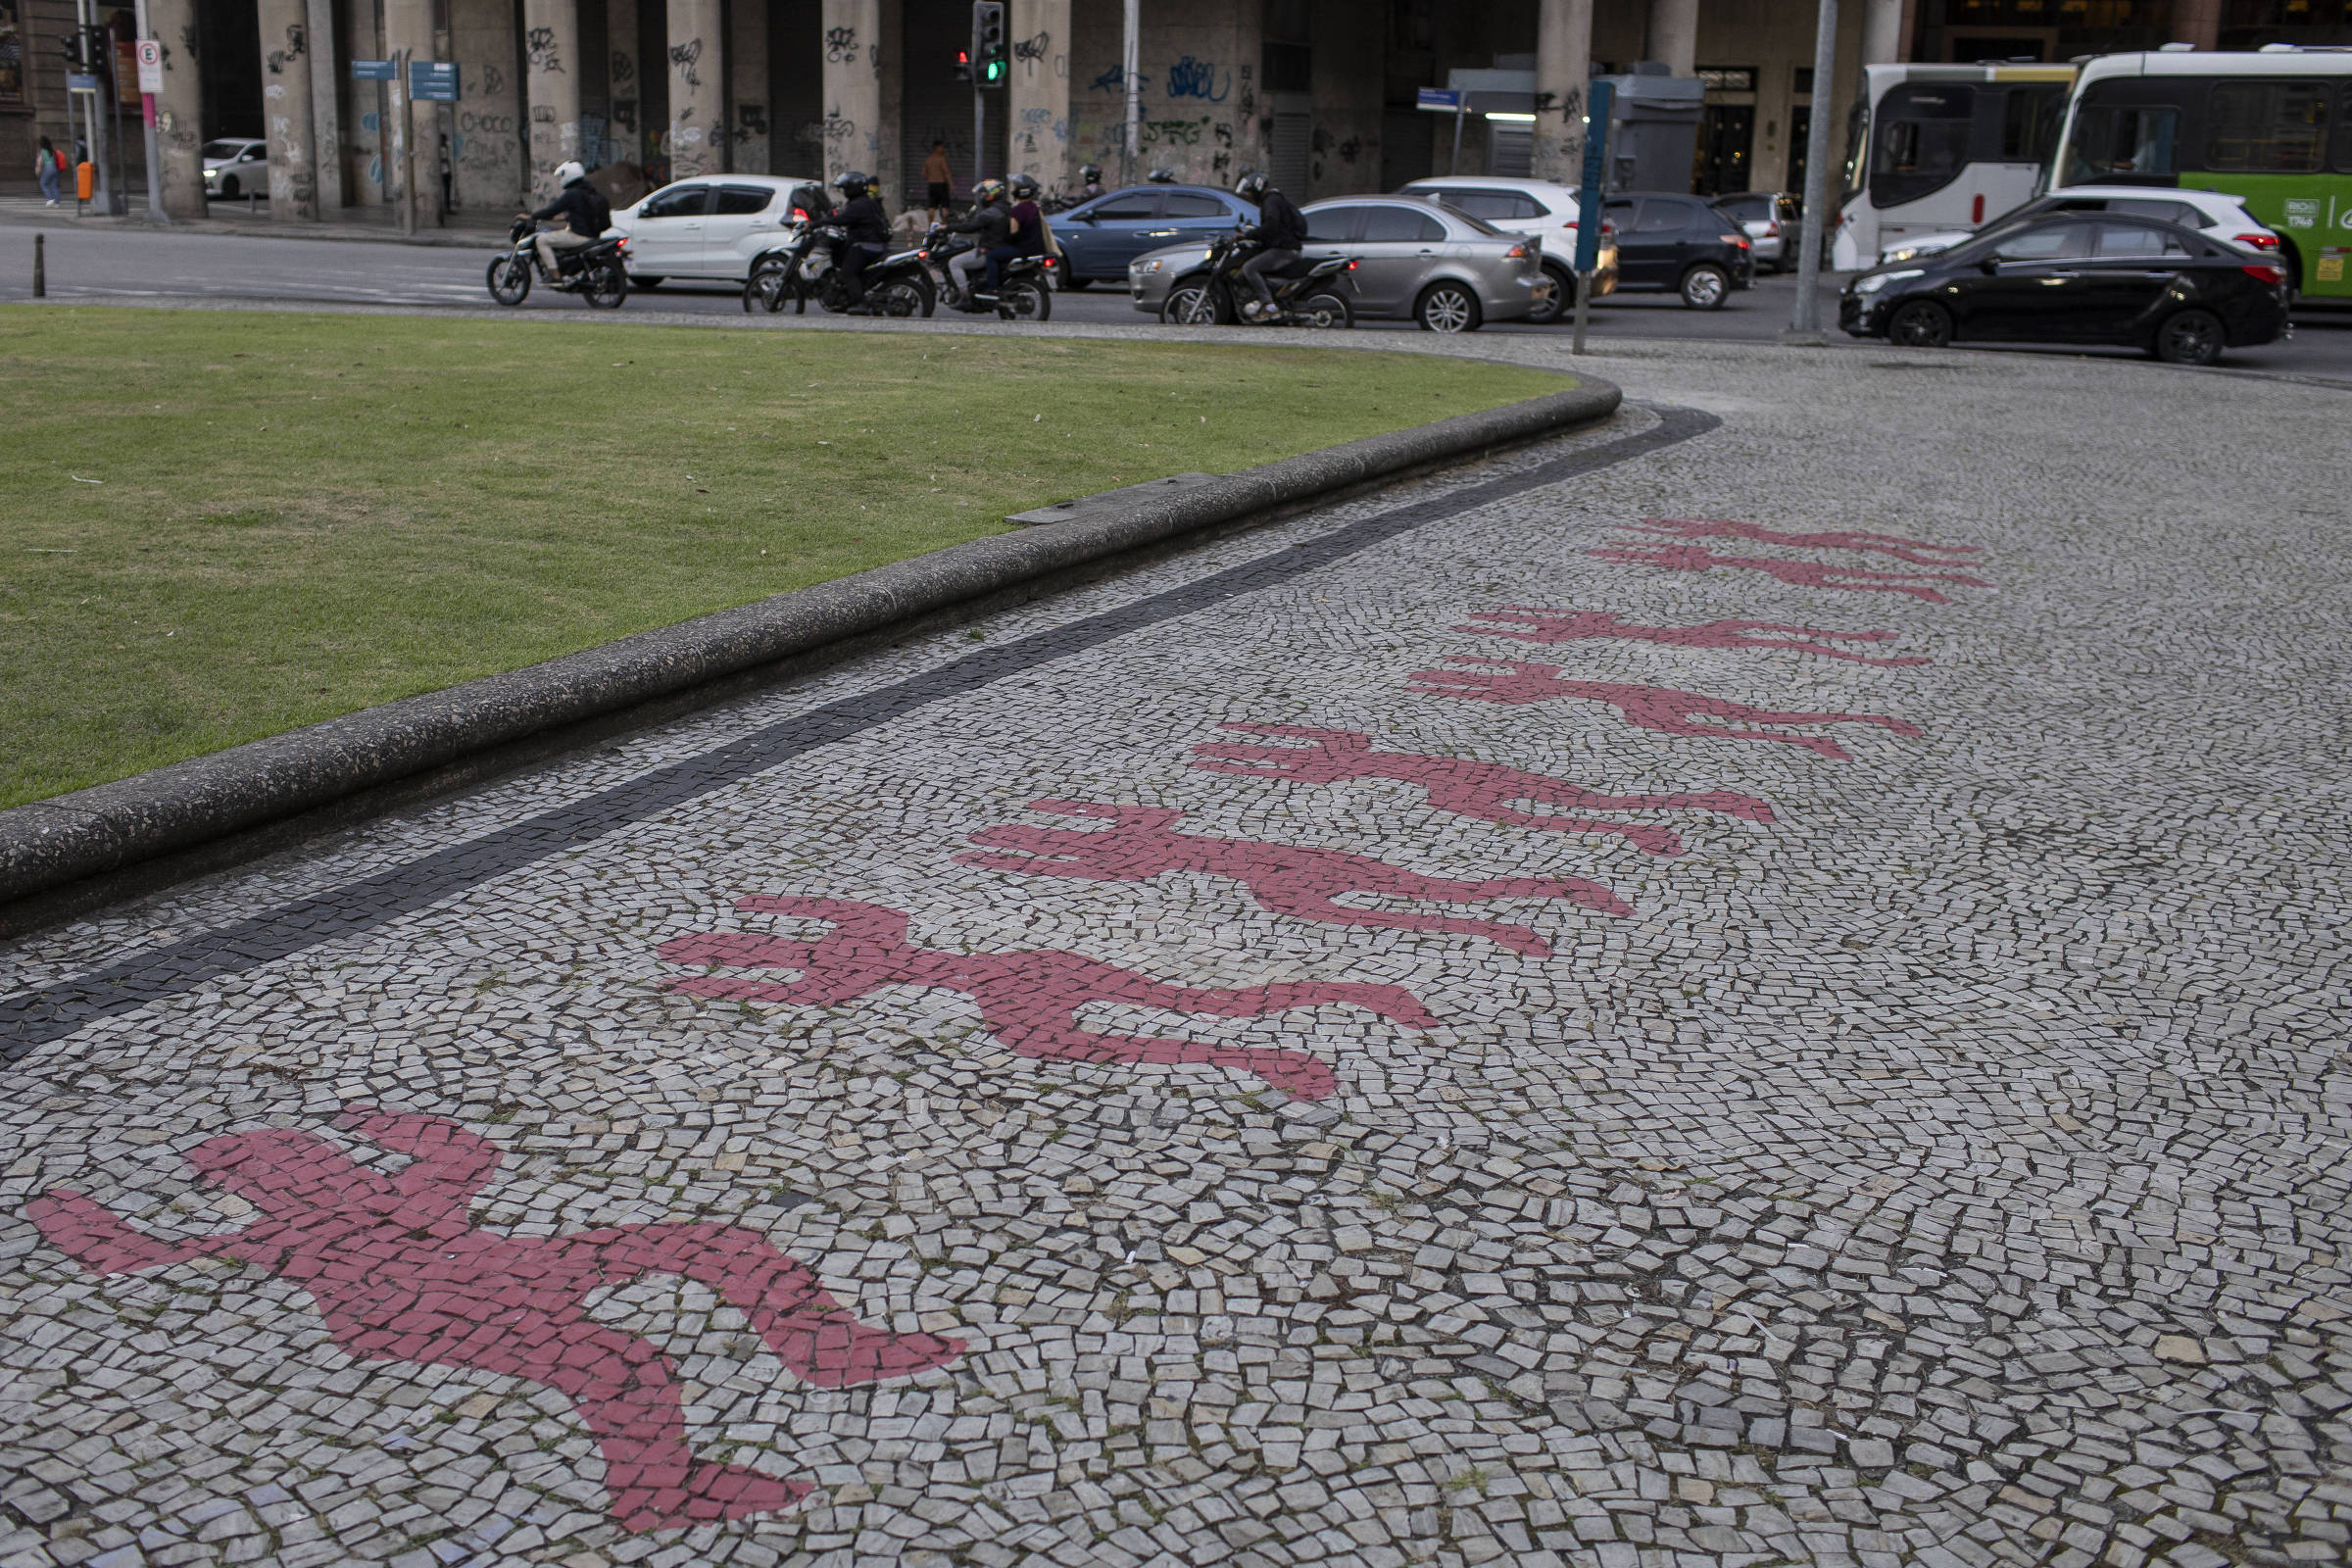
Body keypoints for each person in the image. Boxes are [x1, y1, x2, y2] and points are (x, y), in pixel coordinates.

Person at [1232, 171, 1305, 322]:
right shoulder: (1274, 199)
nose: (1250, 196)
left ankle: (1270, 307)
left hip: (1284, 249)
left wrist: (1247, 235)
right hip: (1285, 247)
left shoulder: (1270, 201)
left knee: (1249, 268)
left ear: (1257, 189)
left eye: (1250, 192)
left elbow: (1271, 226)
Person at [518, 160, 612, 278]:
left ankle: (555, 275)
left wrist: (531, 217)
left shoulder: (572, 194)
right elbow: (582, 212)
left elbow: (551, 210)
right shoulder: (589, 191)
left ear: (569, 175)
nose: (561, 179)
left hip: (579, 235)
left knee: (541, 240)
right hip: (593, 235)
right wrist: (562, 218)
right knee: (557, 236)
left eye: (562, 175)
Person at [941, 177, 1008, 305]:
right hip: (1000, 247)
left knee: (954, 263)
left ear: (993, 194)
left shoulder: (991, 212)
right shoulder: (1005, 208)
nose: (983, 196)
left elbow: (971, 227)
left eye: (985, 193)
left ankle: (965, 296)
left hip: (989, 249)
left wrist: (948, 227)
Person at [830, 171, 892, 308]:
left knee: (847, 272)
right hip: (875, 243)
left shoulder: (858, 204)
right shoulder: (866, 201)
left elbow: (843, 219)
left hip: (867, 244)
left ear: (853, 188)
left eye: (846, 188)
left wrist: (819, 223)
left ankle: (860, 304)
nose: (844, 191)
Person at [990, 172, 1045, 291]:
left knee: (991, 256)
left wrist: (1004, 239)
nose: (1013, 190)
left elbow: (1014, 233)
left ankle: (993, 288)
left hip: (1024, 249)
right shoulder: (1034, 207)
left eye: (1015, 187)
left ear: (1021, 190)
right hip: (1037, 248)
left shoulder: (1017, 210)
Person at [922, 139, 953, 223]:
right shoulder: (941, 159)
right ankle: (945, 224)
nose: (943, 149)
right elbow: (946, 172)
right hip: (941, 185)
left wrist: (931, 178)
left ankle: (930, 226)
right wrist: (951, 185)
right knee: (944, 207)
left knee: (931, 206)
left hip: (931, 185)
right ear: (937, 148)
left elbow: (924, 174)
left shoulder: (928, 159)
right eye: (942, 147)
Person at [36, 137, 63, 206]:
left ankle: (49, 199)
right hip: (54, 168)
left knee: (42, 183)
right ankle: (57, 202)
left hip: (48, 168)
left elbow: (39, 162)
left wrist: (38, 170)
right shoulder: (52, 150)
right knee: (54, 186)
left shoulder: (42, 151)